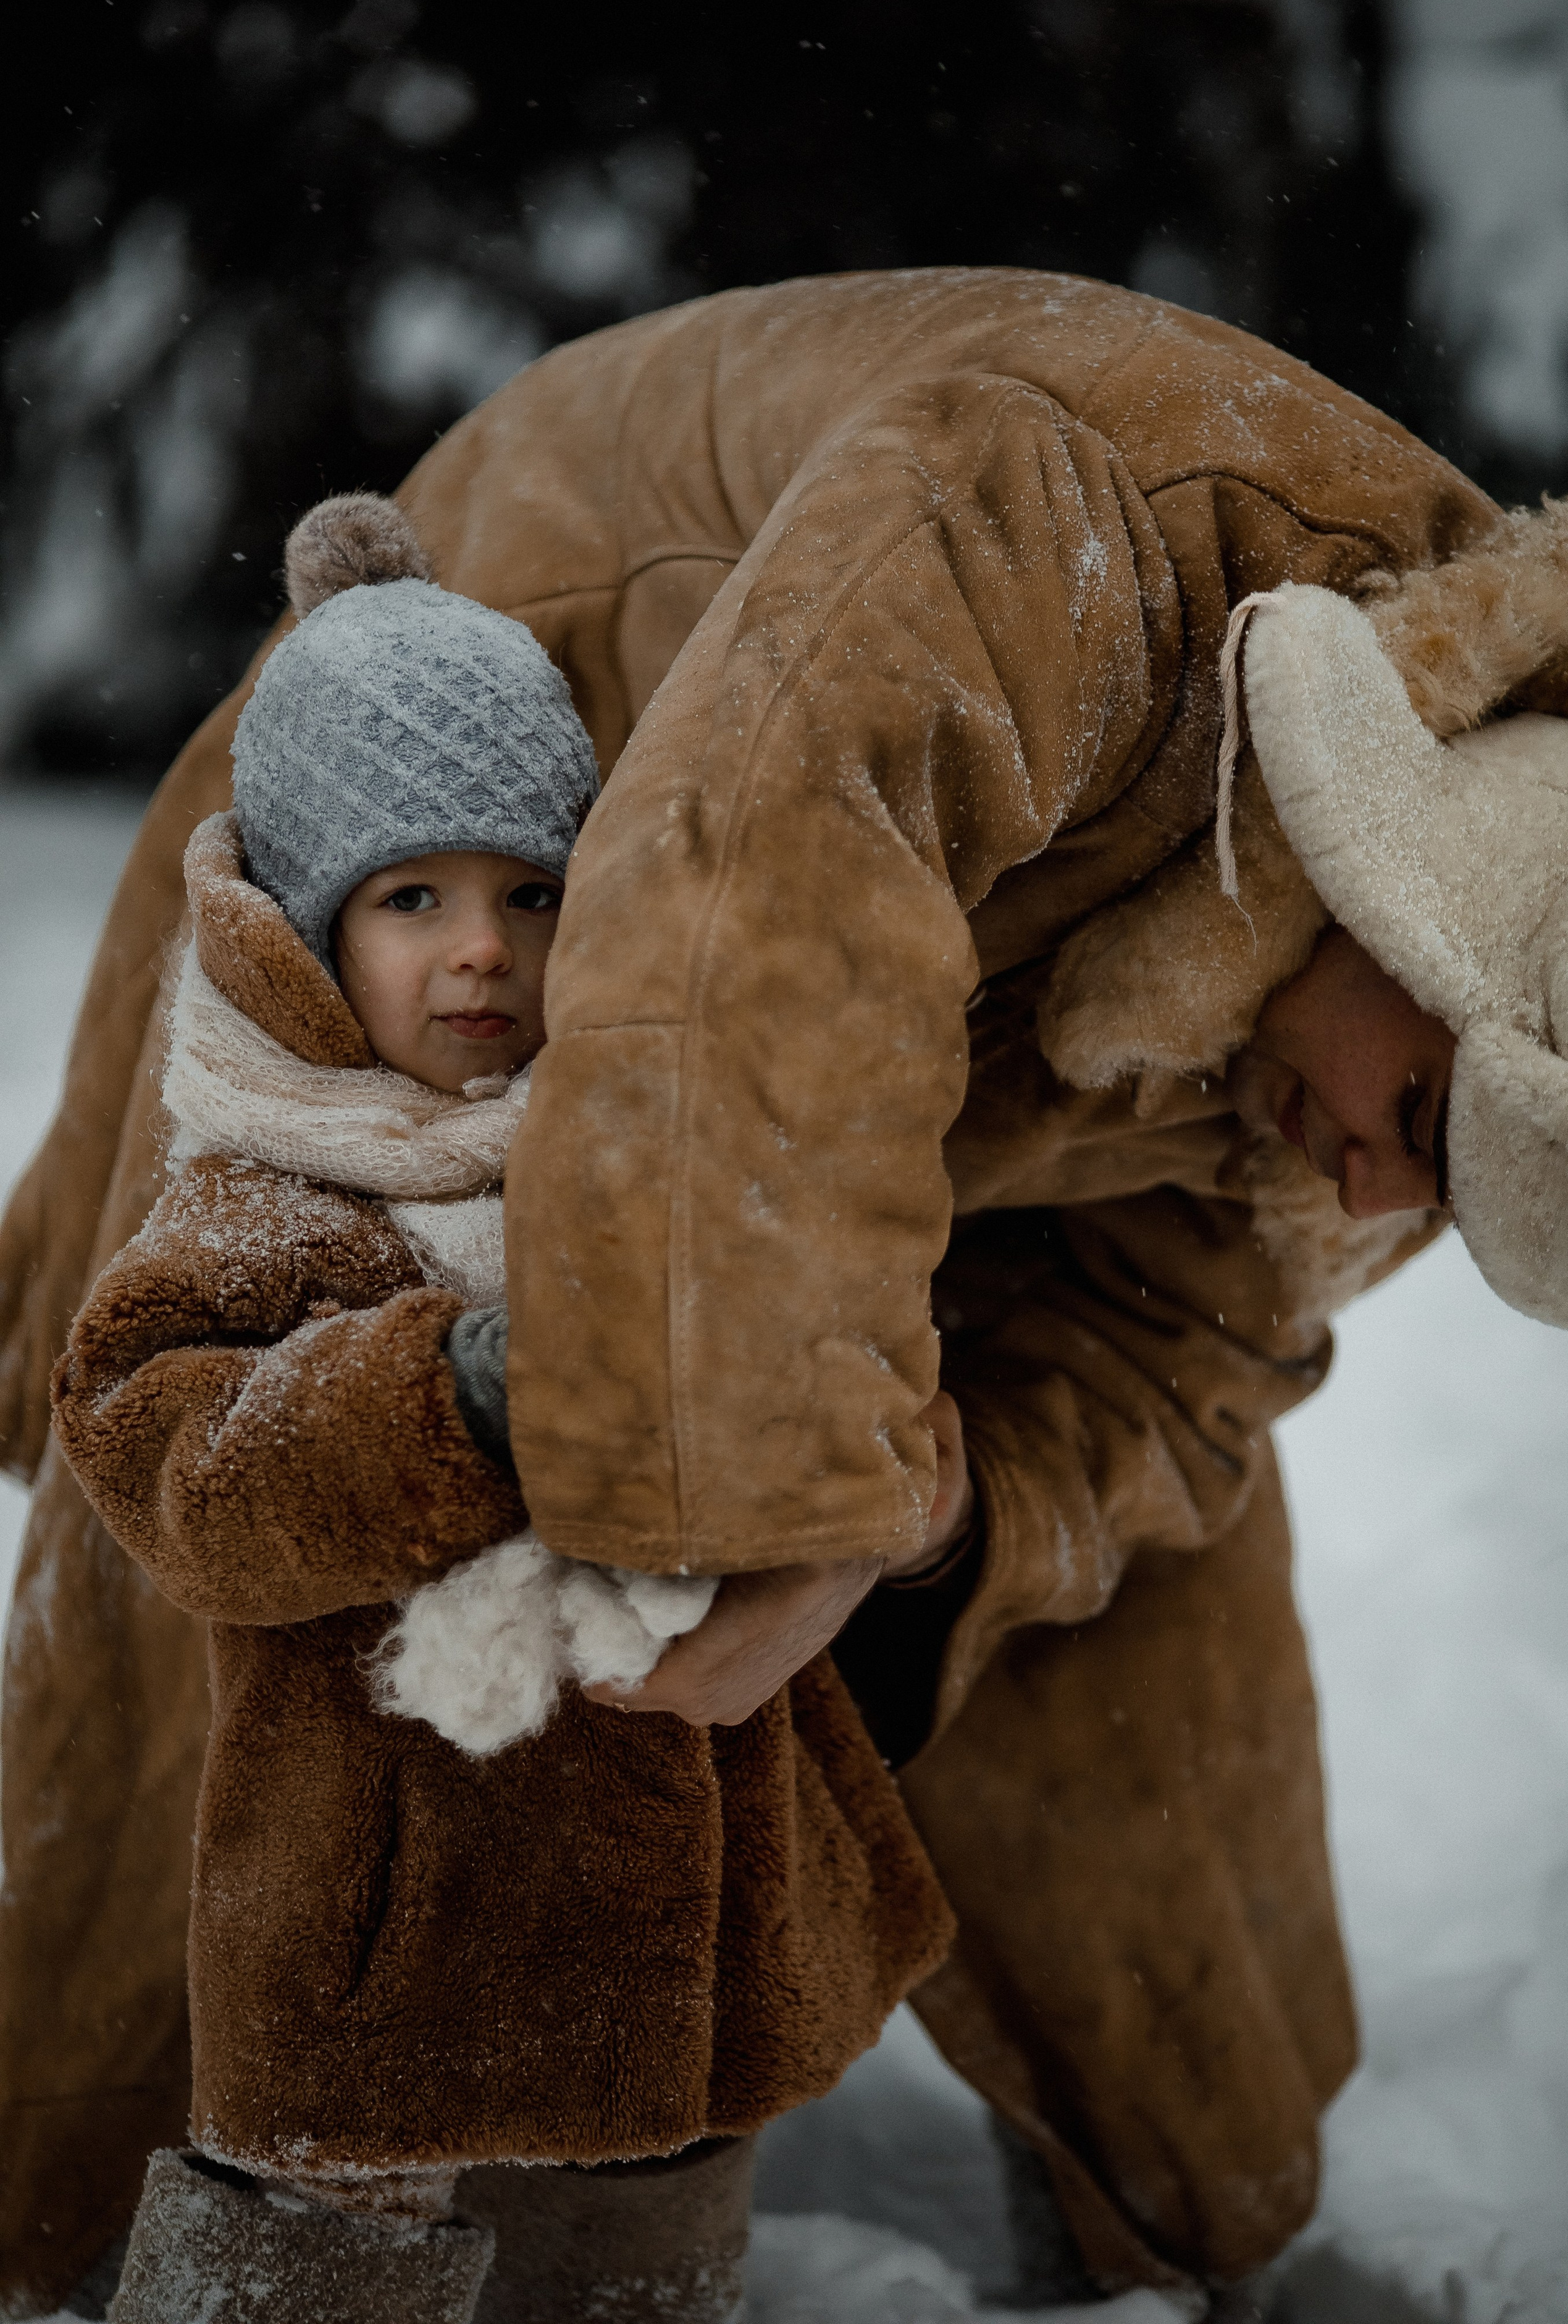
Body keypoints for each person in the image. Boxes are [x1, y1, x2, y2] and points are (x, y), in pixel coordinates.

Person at [2, 269, 1568, 2318]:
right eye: (1431, 1119)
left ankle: (1218, 2231)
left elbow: (1174, 1359)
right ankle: (67, 2215)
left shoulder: (1354, 1081)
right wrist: (777, 1496)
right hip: (488, 840)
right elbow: (751, 906)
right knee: (202, 1654)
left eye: (1456, 1192)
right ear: (1425, 902)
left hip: (879, 1062)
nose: (1389, 1197)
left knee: (1120, 1643)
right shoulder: (1099, 502)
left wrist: (941, 1517)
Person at [44, 494, 952, 2323]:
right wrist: (450, 1395)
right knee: (322, 2253)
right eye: (411, 899)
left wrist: (874, 1473)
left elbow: (843, 1372)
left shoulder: (653, 1157)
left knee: (634, 2237)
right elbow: (170, 1453)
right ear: (303, 931)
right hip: (378, 1910)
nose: (481, 952)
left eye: (531, 892)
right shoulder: (262, 1194)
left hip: (674, 1886)